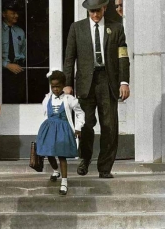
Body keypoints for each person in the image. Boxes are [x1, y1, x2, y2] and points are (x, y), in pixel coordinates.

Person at [63, 0, 130, 178]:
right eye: (91, 11)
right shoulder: (77, 28)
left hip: (108, 82)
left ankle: (105, 167)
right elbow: (69, 58)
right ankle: (85, 159)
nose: (95, 15)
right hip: (86, 83)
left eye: (98, 11)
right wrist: (67, 84)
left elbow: (122, 56)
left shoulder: (116, 28)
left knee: (109, 126)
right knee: (86, 124)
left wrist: (124, 81)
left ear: (104, 8)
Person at [36, 70, 85, 195]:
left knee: (61, 155)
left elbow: (80, 113)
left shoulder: (69, 99)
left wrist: (78, 127)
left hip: (63, 129)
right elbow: (45, 112)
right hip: (49, 128)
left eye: (58, 86)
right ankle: (55, 170)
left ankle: (64, 181)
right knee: (48, 152)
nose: (55, 89)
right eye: (53, 87)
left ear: (63, 86)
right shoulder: (48, 99)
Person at [2, 0, 26, 103]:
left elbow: (24, 52)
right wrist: (6, 65)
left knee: (19, 101)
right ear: (4, 14)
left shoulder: (20, 31)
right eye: (12, 13)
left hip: (18, 71)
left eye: (17, 13)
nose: (16, 16)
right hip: (3, 72)